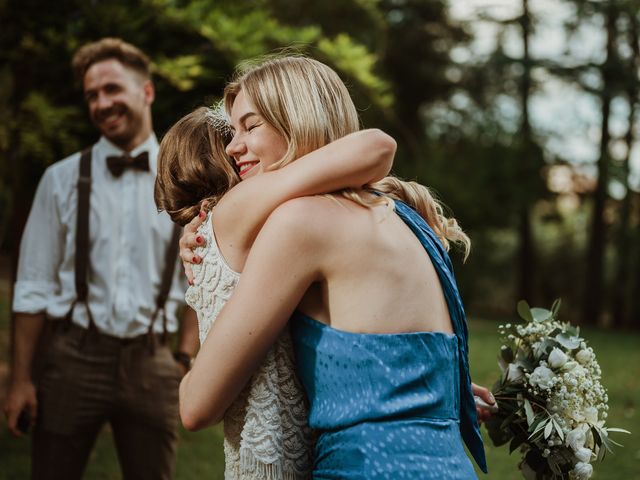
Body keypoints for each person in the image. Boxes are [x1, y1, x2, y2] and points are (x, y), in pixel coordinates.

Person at [174, 56, 493, 478]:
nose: (233, 148)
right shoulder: (405, 218)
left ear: (297, 120)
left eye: (250, 126)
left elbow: (197, 406)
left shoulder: (300, 223)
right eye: (232, 131)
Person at [155, 99, 396, 477]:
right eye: (236, 134)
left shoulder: (264, 233)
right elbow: (377, 145)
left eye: (251, 130)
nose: (242, 144)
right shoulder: (243, 208)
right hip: (276, 454)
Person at [3, 38, 199, 480]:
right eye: (92, 95)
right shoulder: (60, 180)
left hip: (153, 363)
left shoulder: (185, 178)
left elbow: (199, 281)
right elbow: (32, 284)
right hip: (72, 357)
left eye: (112, 89)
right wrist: (20, 380)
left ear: (146, 92)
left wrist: (183, 362)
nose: (102, 103)